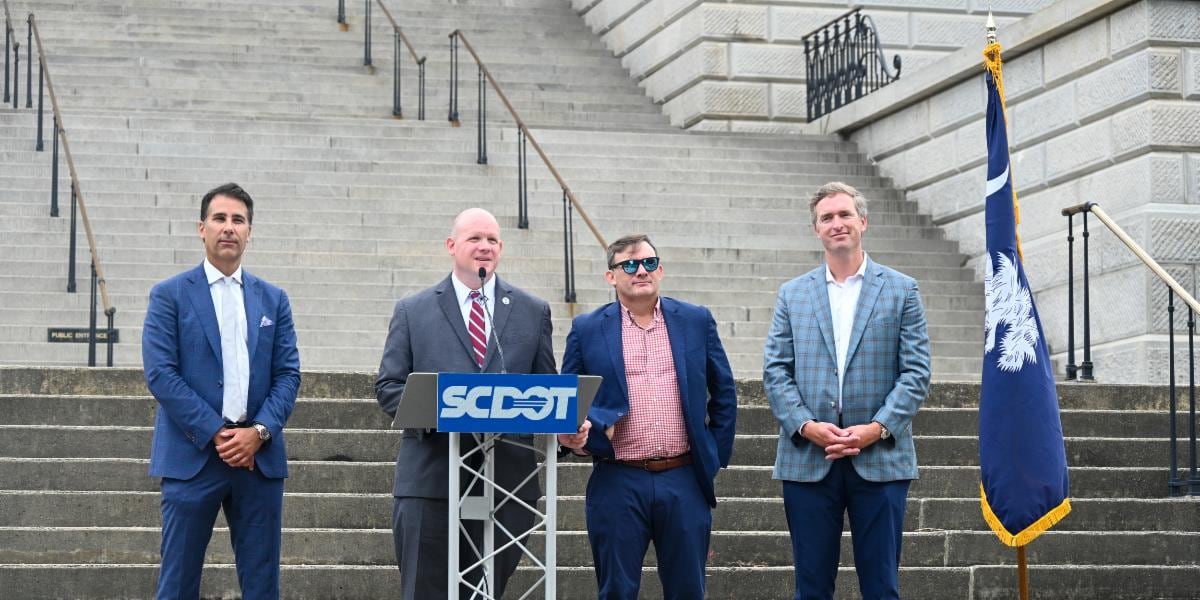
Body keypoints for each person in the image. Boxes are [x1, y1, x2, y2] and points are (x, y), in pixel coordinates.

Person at [376, 208, 587, 599]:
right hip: (432, 480)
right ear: (451, 245)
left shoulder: (532, 311)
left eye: (492, 240)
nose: (484, 246)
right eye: (474, 238)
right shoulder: (413, 310)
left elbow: (546, 390)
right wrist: (447, 411)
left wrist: (565, 430)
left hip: (508, 483)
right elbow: (390, 386)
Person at [763, 181, 931, 599]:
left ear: (863, 221)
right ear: (816, 229)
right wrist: (806, 426)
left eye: (844, 214)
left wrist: (876, 429)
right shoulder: (792, 294)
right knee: (811, 588)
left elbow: (915, 372)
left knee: (881, 587)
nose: (836, 223)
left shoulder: (902, 289)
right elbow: (776, 371)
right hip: (808, 458)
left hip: (880, 458)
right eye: (827, 217)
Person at [142, 182, 301, 599]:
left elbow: (288, 375)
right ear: (202, 228)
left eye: (238, 220)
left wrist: (258, 432)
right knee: (177, 585)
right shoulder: (170, 295)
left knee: (262, 585)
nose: (229, 227)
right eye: (219, 218)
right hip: (192, 456)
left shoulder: (274, 299)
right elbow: (160, 373)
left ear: (249, 232)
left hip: (257, 460)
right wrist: (216, 431)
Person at [561, 233, 738, 600]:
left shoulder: (696, 320)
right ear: (611, 276)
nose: (640, 271)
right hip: (617, 479)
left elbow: (723, 392)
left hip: (683, 478)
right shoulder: (587, 329)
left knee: (688, 590)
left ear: (660, 270)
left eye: (649, 263)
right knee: (617, 590)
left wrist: (712, 455)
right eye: (629, 264)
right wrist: (576, 437)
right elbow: (569, 400)